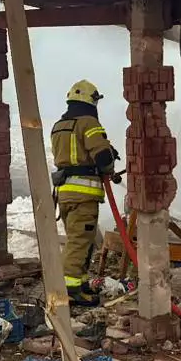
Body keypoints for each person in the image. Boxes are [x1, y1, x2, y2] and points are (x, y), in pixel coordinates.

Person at [50, 79, 120, 303]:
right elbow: (102, 157)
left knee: (79, 241)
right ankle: (70, 291)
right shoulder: (88, 122)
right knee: (80, 242)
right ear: (91, 100)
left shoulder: (59, 126)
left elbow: (74, 153)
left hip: (65, 193)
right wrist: (109, 159)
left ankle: (79, 282)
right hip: (83, 195)